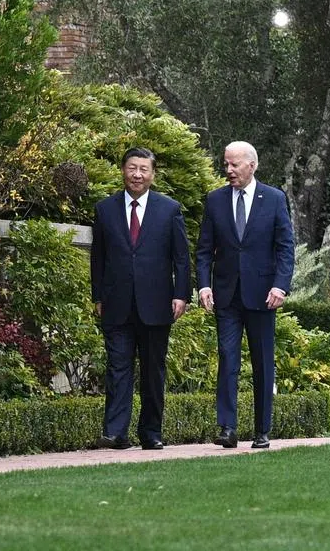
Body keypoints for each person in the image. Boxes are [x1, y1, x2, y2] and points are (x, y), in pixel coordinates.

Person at [91, 147, 190, 450]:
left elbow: (181, 258)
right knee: (118, 367)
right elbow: (98, 257)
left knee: (152, 370)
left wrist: (181, 294)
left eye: (143, 169)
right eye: (132, 168)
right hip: (116, 303)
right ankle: (116, 432)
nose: (137, 174)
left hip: (156, 303)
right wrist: (97, 295)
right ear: (123, 170)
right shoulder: (104, 209)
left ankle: (151, 433)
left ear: (152, 174)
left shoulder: (169, 209)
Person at [197, 141, 295, 449]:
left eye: (234, 164)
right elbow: (203, 250)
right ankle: (227, 428)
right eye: (226, 164)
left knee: (263, 362)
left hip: (263, 294)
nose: (228, 170)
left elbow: (285, 247)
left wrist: (281, 285)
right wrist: (203, 285)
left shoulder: (275, 198)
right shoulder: (214, 201)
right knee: (227, 359)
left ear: (251, 166)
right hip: (226, 295)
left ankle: (262, 430)